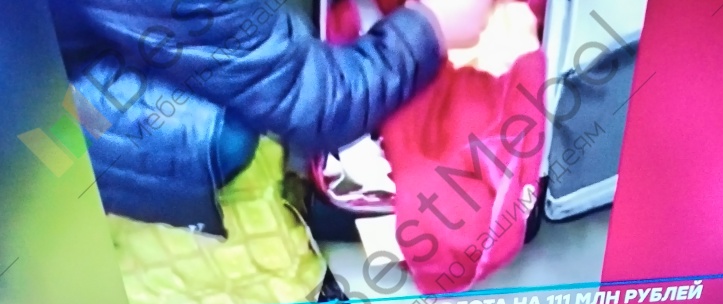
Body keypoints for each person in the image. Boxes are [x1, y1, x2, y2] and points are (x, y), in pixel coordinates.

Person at [48, 0, 494, 229]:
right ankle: (60, 172)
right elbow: (316, 103)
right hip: (47, 110)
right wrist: (431, 26)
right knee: (229, 136)